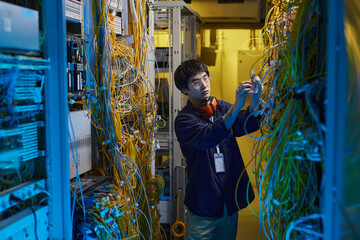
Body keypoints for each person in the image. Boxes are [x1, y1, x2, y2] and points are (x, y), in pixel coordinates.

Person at [174, 59, 262, 240]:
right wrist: (237, 105)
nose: (204, 85)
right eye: (196, 82)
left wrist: (255, 99)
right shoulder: (184, 121)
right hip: (204, 204)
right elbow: (208, 136)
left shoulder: (221, 107)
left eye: (206, 78)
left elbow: (245, 124)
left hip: (229, 202)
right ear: (185, 90)